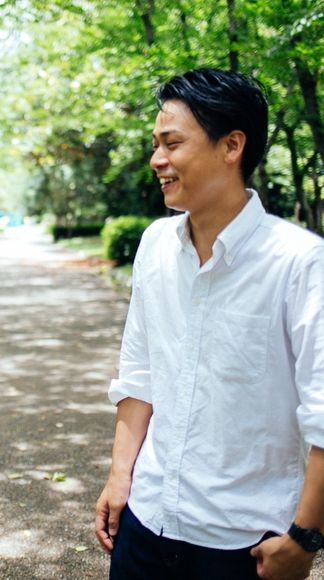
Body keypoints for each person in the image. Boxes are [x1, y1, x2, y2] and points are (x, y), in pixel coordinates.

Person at [95, 68, 324, 580]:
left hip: (243, 543)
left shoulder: (300, 262)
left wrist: (305, 538)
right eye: (155, 145)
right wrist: (119, 478)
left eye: (172, 143)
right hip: (146, 522)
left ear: (232, 146)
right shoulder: (155, 245)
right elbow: (139, 373)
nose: (157, 159)